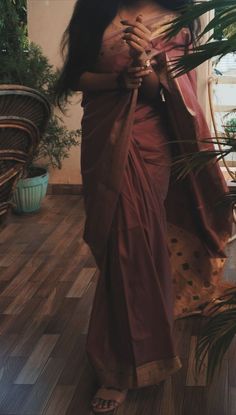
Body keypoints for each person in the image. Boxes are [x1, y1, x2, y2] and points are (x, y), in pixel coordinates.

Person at [55, 0, 234, 413]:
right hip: (103, 137)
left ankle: (116, 368)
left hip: (150, 145)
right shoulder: (95, 10)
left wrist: (147, 67)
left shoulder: (176, 20)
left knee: (132, 242)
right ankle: (140, 337)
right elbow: (75, 76)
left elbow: (171, 97)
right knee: (120, 246)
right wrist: (121, 80)